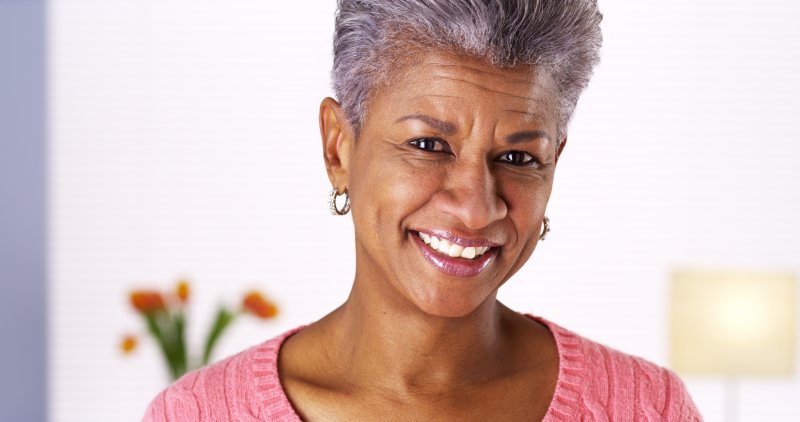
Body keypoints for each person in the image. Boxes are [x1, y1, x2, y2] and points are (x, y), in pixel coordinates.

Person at [144, 0, 702, 420]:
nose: (477, 207)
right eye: (428, 145)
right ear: (338, 147)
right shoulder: (198, 413)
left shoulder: (646, 408)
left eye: (517, 157)